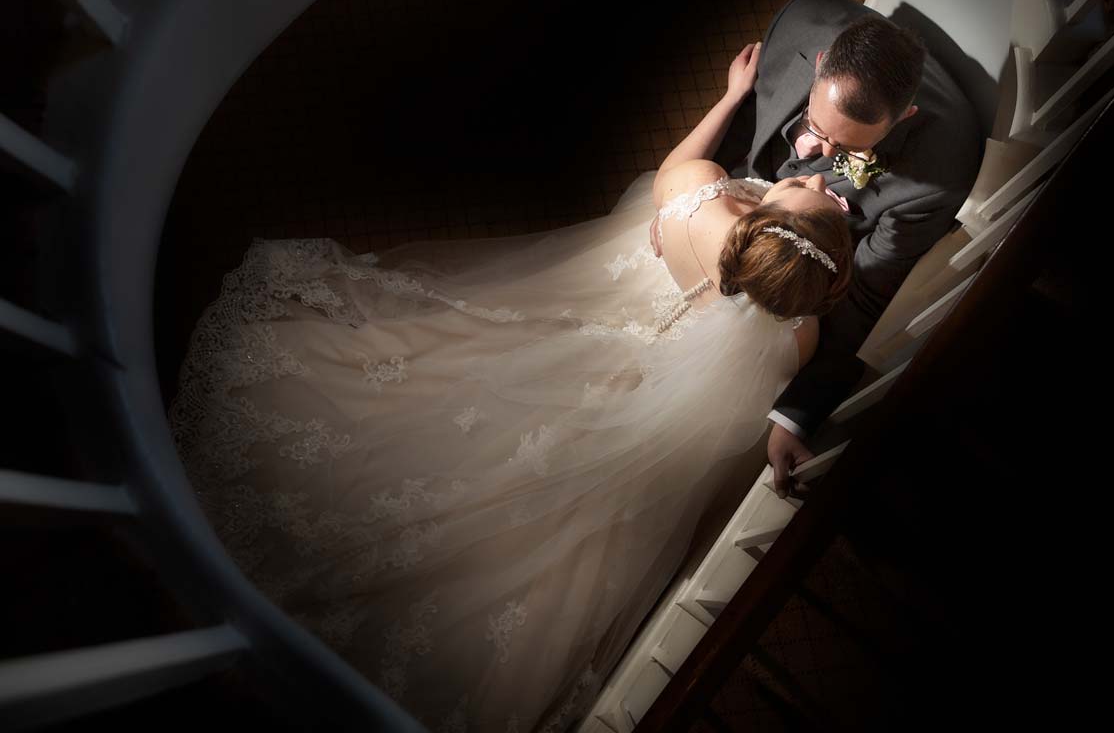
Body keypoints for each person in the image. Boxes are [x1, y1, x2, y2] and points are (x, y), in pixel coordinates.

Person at [166, 41, 853, 732]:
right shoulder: (798, 336)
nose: (823, 182)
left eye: (808, 192)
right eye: (817, 187)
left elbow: (672, 173)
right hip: (652, 390)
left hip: (614, 314)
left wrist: (730, 98)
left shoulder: (698, 196)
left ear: (770, 222)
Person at [706, 0, 983, 499]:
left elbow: (868, 293)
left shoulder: (938, 174)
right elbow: (750, 124)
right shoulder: (799, 18)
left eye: (848, 148)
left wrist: (795, 415)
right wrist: (702, 198)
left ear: (903, 118)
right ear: (820, 64)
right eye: (816, 128)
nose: (814, 151)